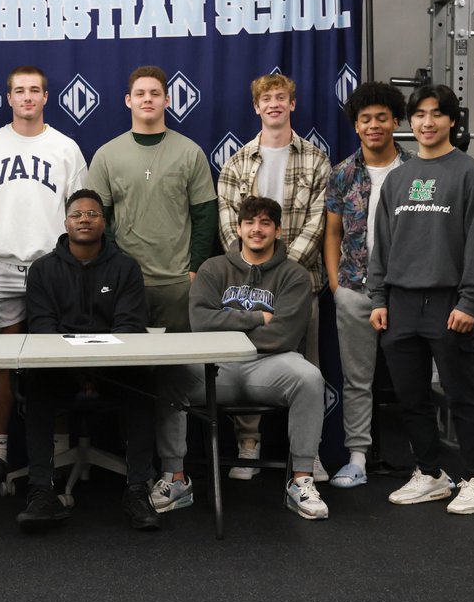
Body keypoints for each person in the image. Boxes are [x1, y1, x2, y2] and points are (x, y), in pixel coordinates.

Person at [367, 84, 474, 515]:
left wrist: (469, 301)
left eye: (436, 114)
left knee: (461, 395)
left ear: (452, 121)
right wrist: (379, 297)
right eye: (419, 114)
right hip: (400, 303)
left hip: (448, 302)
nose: (427, 122)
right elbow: (382, 244)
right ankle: (432, 474)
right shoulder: (398, 179)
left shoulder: (470, 175)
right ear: (410, 122)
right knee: (410, 397)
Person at [159, 196, 329, 519]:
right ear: (238, 228)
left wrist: (230, 326)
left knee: (310, 378)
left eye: (266, 223)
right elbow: (201, 323)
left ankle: (301, 479)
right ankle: (175, 478)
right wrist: (257, 319)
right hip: (215, 367)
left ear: (278, 230)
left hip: (269, 367)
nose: (257, 229)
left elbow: (284, 335)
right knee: (170, 377)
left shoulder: (293, 275)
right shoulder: (213, 268)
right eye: (250, 222)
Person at [0, 65, 87, 476]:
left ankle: (58, 450)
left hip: (51, 269)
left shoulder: (66, 147)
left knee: (54, 362)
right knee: (2, 364)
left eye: (35, 90)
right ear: (9, 97)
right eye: (20, 90)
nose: (28, 97)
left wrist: (71, 266)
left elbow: (80, 215)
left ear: (47, 97)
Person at [16, 189, 161, 531]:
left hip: (114, 371)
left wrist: (97, 368)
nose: (85, 219)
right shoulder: (42, 270)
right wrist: (78, 370)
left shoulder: (125, 268)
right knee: (35, 384)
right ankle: (40, 492)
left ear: (104, 222)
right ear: (65, 222)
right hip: (59, 372)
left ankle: (138, 490)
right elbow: (42, 330)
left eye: (93, 214)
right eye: (77, 214)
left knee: (144, 383)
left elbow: (129, 328)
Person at [216, 73, 331, 482]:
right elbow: (229, 226)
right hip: (245, 289)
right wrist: (254, 273)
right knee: (247, 363)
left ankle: (309, 453)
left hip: (302, 283)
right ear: (256, 107)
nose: (274, 105)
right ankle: (249, 445)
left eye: (281, 98)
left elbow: (317, 225)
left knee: (308, 369)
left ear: (293, 105)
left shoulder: (316, 159)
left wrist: (285, 274)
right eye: (267, 99)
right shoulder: (236, 163)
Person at [323, 81, 414, 488]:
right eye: (365, 119)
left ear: (395, 121)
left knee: (413, 377)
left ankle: (423, 461)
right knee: (357, 380)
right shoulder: (342, 174)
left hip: (407, 292)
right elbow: (332, 234)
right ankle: (357, 458)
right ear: (356, 126)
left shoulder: (417, 171)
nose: (373, 125)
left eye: (381, 118)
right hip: (354, 291)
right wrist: (335, 286)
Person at [86, 65, 216, 334]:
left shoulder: (190, 152)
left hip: (178, 283)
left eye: (155, 93)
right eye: (140, 93)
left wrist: (193, 272)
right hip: (125, 282)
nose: (147, 99)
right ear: (128, 100)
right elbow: (98, 222)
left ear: (167, 100)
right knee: (129, 368)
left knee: (179, 368)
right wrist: (115, 269)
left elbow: (205, 218)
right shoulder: (107, 155)